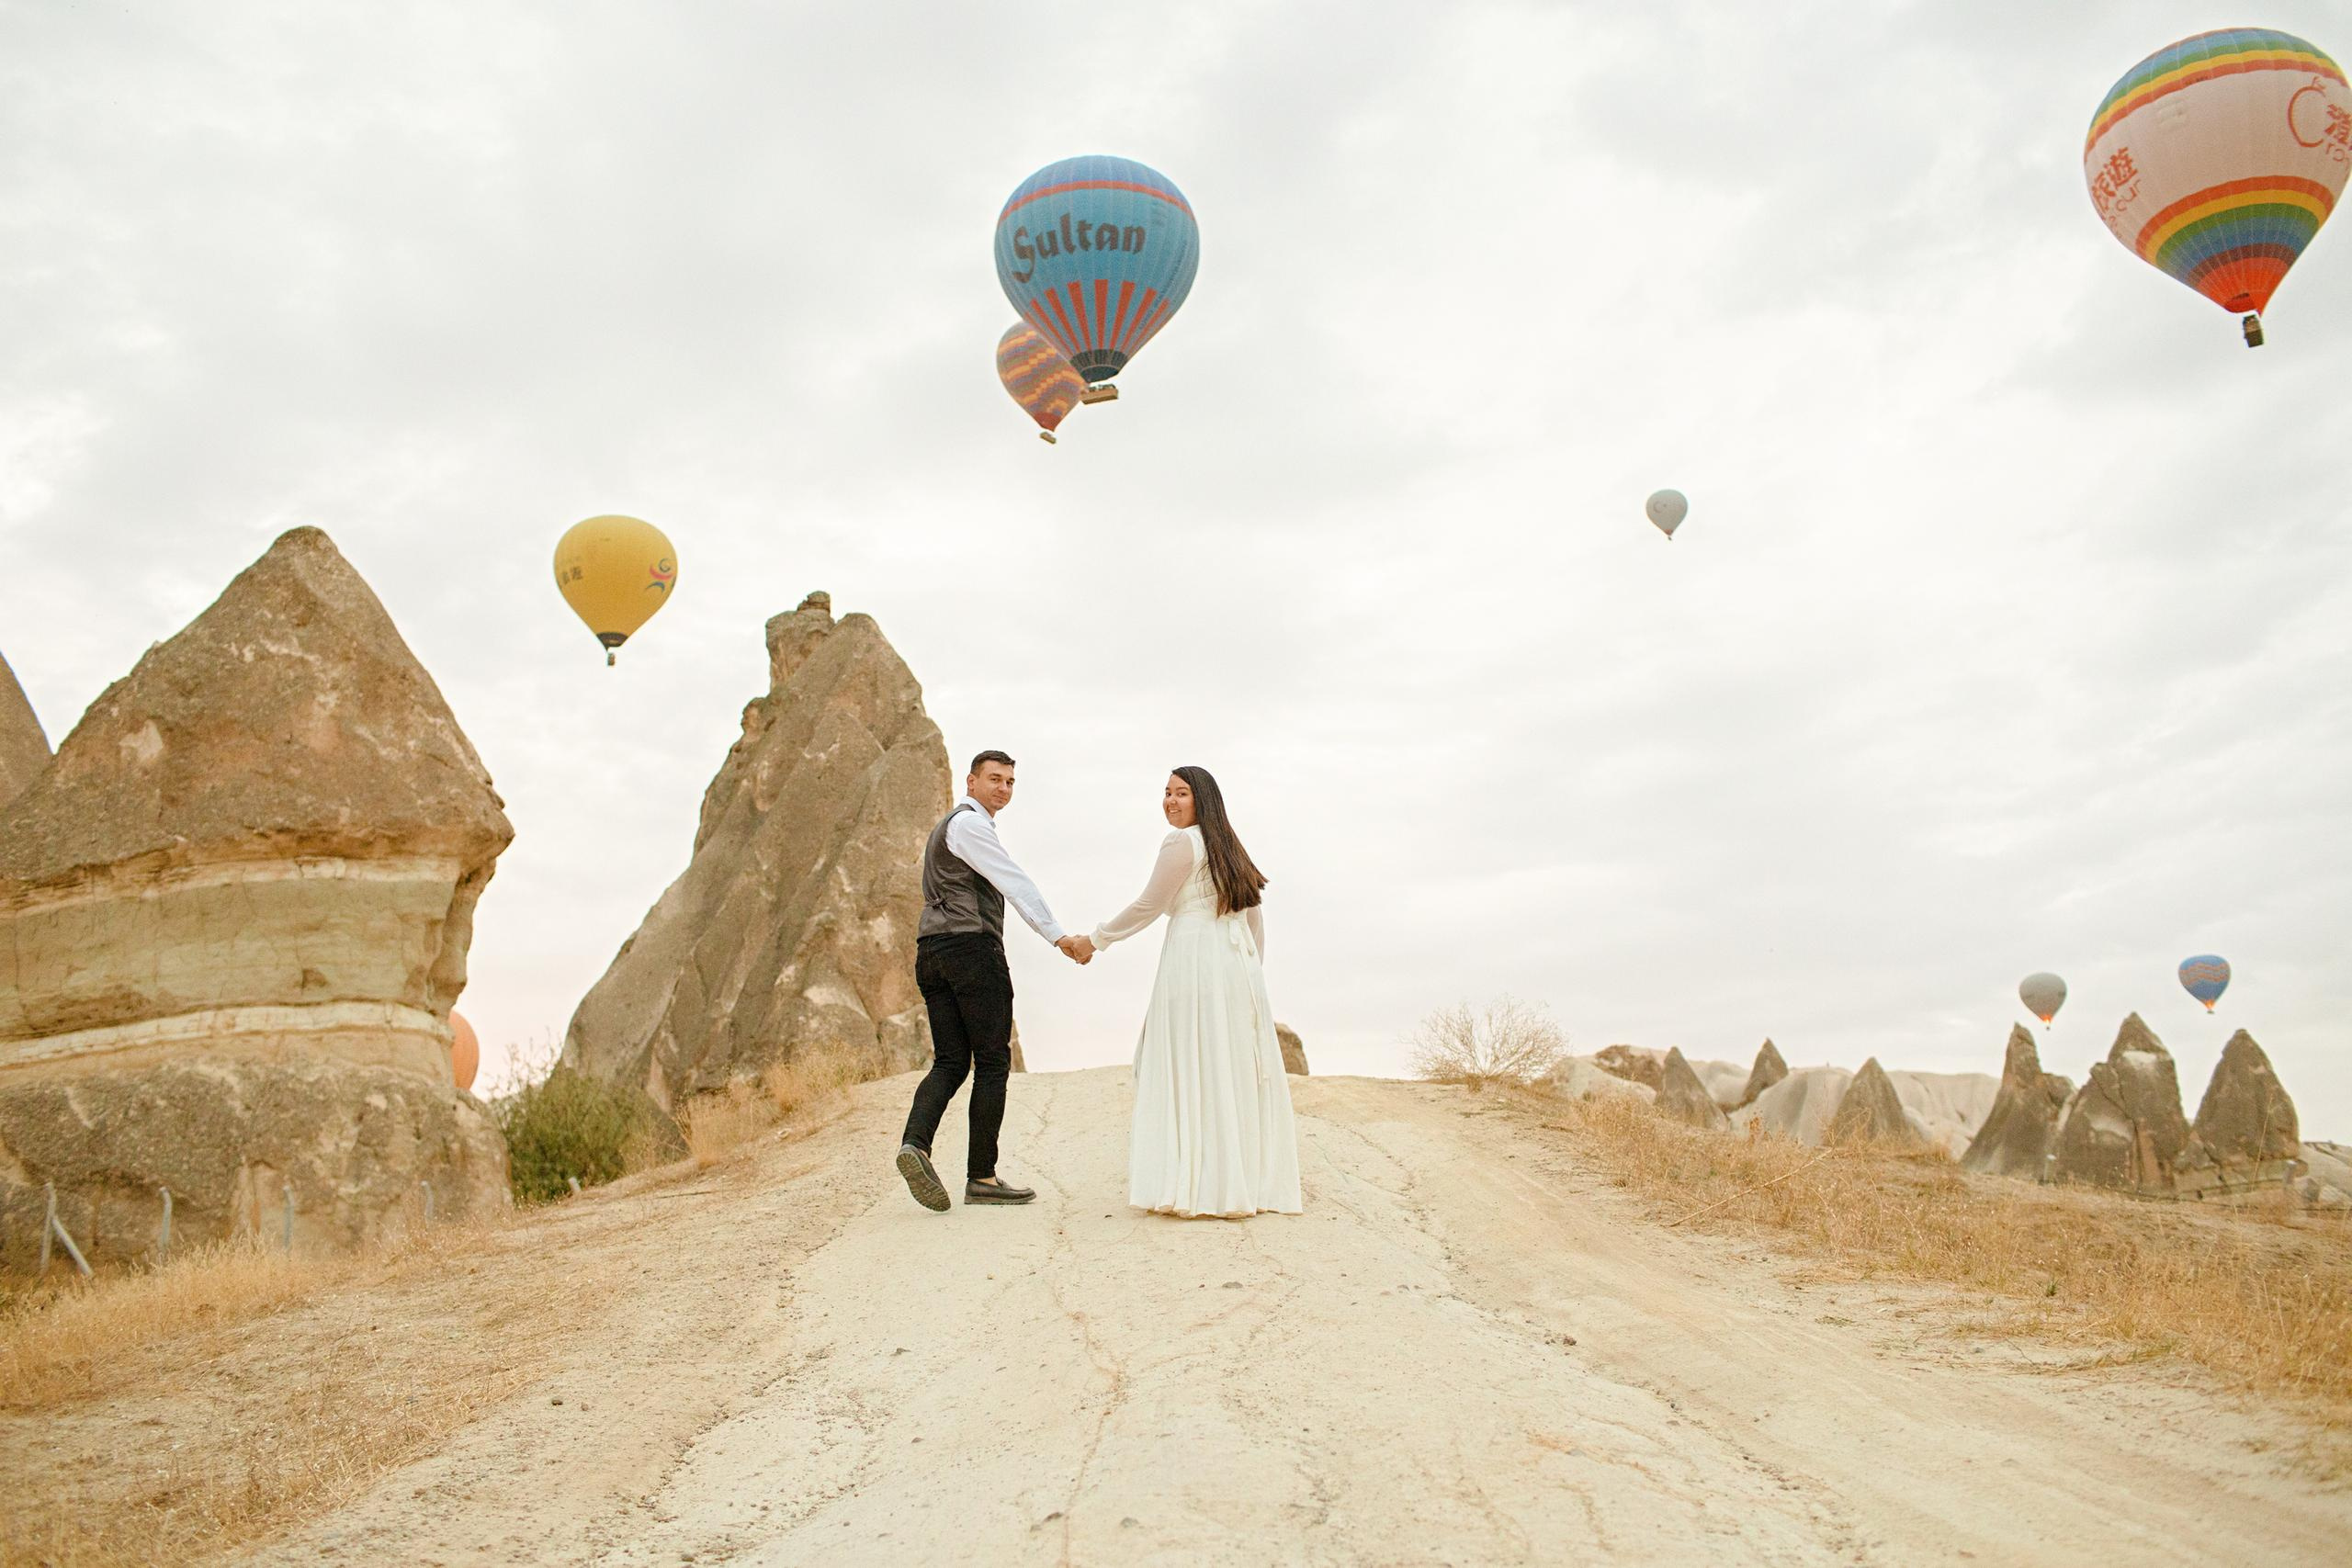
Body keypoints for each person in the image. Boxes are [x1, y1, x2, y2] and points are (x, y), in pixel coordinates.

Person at [1089, 766, 1301, 1218]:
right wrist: (1249, 978)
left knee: (1190, 1061)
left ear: (1202, 799)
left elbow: (1149, 905)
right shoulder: (1228, 846)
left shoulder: (1182, 843)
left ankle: (1197, 1183)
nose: (1170, 801)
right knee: (1227, 1068)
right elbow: (1253, 920)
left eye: (1181, 793)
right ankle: (1239, 1182)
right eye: (1166, 793)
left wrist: (1096, 939)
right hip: (1233, 965)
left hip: (1193, 958)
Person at [897, 750, 1091, 1212]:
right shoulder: (970, 825)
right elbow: (1014, 881)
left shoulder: (948, 829)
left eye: (1009, 782)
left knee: (949, 1062)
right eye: (994, 779)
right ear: (971, 781)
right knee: (991, 1061)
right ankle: (981, 1177)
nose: (1003, 788)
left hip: (931, 953)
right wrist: (1058, 935)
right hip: (971, 951)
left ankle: (915, 1146)